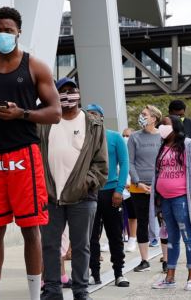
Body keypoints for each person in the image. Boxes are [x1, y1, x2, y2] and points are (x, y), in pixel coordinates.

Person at [0, 7, 62, 300]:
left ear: (19, 32)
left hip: (24, 154)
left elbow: (55, 112)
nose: (2, 35)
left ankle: (34, 295)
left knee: (31, 229)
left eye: (7, 30)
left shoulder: (35, 67)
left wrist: (22, 114)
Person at [37, 79, 108, 300]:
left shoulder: (93, 123)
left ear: (79, 94)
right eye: (62, 92)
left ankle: (81, 291)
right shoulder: (45, 122)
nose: (68, 95)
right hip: (50, 196)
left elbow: (101, 163)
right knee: (49, 246)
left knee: (81, 247)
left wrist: (86, 183)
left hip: (83, 198)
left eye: (72, 91)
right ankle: (52, 291)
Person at [149, 116, 191, 291]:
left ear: (176, 126)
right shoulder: (162, 147)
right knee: (171, 239)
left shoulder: (190, 144)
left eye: (165, 124)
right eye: (160, 124)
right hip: (165, 199)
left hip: (182, 199)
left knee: (188, 237)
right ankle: (169, 277)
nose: (162, 127)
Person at [85, 104, 130, 288]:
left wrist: (119, 190)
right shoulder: (83, 138)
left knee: (115, 235)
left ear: (102, 117)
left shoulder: (115, 137)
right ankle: (94, 273)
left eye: (94, 114)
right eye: (88, 114)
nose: (91, 117)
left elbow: (125, 164)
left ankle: (119, 273)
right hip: (90, 192)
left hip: (112, 192)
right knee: (90, 236)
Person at [127, 105, 163, 272]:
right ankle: (144, 260)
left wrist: (161, 183)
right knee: (143, 221)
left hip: (160, 186)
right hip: (139, 187)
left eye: (144, 114)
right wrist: (136, 181)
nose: (141, 117)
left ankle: (167, 260)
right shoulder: (134, 137)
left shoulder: (163, 137)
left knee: (164, 222)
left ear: (154, 118)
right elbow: (130, 162)